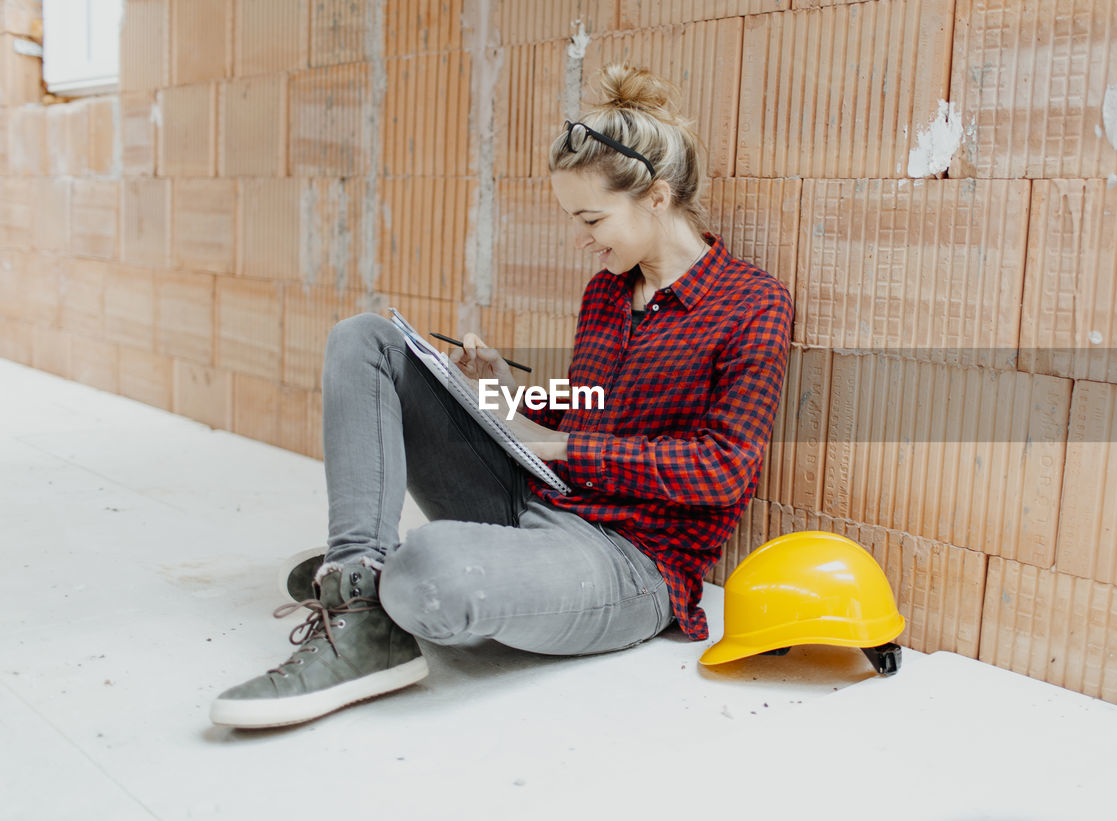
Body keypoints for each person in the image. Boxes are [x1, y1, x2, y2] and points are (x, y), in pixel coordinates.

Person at [209, 63, 794, 729]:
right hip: (535, 495)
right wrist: (506, 393)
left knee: (429, 566)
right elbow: (596, 404)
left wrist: (561, 446)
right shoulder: (608, 289)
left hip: (630, 560)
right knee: (365, 339)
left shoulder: (753, 303)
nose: (582, 239)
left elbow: (722, 470)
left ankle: (387, 583)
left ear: (656, 198)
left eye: (592, 218)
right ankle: (361, 592)